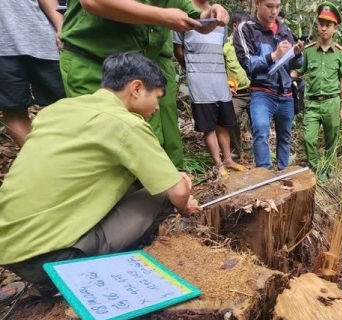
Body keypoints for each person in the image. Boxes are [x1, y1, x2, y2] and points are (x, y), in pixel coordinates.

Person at [0, 52, 200, 293]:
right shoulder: (126, 123)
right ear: (136, 88)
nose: (157, 107)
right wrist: (184, 201)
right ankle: (108, 270)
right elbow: (177, 191)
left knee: (135, 185)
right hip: (55, 260)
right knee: (163, 195)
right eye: (156, 97)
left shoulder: (58, 110)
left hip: (11, 250)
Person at [59, 0, 229, 169]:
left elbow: (197, 19)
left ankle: (158, 192)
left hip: (138, 71)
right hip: (92, 63)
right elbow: (93, 2)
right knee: (102, 148)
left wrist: (211, 16)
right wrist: (163, 16)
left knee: (147, 142)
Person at [174, 0, 244, 176]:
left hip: (219, 79)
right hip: (199, 82)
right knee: (209, 126)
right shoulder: (183, 14)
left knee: (224, 123)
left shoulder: (220, 16)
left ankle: (228, 159)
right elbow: (178, 50)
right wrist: (192, 69)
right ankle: (218, 163)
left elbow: (221, 48)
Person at [234, 0, 304, 170]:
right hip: (262, 91)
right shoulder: (247, 29)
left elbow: (295, 65)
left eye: (278, 7)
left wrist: (297, 54)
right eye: (269, 6)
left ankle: (283, 173)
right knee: (260, 130)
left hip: (286, 92)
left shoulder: (284, 29)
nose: (274, 11)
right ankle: (264, 176)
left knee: (285, 136)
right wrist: (273, 55)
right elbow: (248, 63)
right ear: (257, 3)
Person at [292, 2, 342, 175]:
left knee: (331, 139)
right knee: (309, 139)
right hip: (312, 104)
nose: (324, 28)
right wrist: (289, 80)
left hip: (332, 102)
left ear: (335, 28)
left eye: (328, 25)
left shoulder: (340, 53)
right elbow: (297, 71)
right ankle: (314, 169)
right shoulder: (309, 51)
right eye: (321, 24)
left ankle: (326, 170)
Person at [0, 0, 65, 147]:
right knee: (13, 108)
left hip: (41, 39)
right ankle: (37, 160)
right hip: (3, 50)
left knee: (64, 104)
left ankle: (68, 158)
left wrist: (60, 26)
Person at [224, 11, 252, 158]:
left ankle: (260, 151)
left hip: (254, 90)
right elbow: (221, 68)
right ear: (235, 26)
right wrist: (225, 85)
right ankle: (235, 150)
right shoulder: (226, 47)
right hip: (237, 93)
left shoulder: (251, 42)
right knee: (231, 117)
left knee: (259, 121)